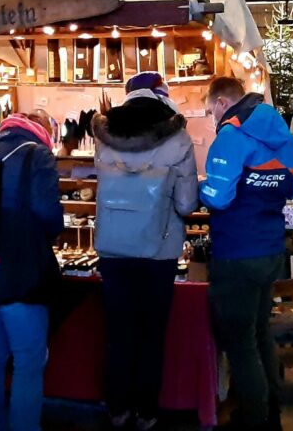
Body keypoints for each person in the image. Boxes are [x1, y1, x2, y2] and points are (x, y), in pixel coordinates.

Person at [92, 72, 199, 431]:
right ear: (162, 96)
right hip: (159, 252)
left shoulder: (104, 135)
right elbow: (186, 204)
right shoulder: (177, 138)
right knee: (152, 335)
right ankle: (146, 413)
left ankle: (117, 409)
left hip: (113, 250)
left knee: (118, 334)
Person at [199, 77, 293, 431]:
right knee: (260, 333)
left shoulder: (231, 135)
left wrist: (199, 188)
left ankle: (255, 421)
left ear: (222, 103)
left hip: (236, 253)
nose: (212, 117)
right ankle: (271, 415)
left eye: (211, 110)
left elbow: (218, 198)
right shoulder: (283, 135)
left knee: (240, 343)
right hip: (271, 249)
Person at [0, 112, 63, 431]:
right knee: (28, 360)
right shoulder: (37, 155)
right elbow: (48, 213)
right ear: (43, 131)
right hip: (15, 269)